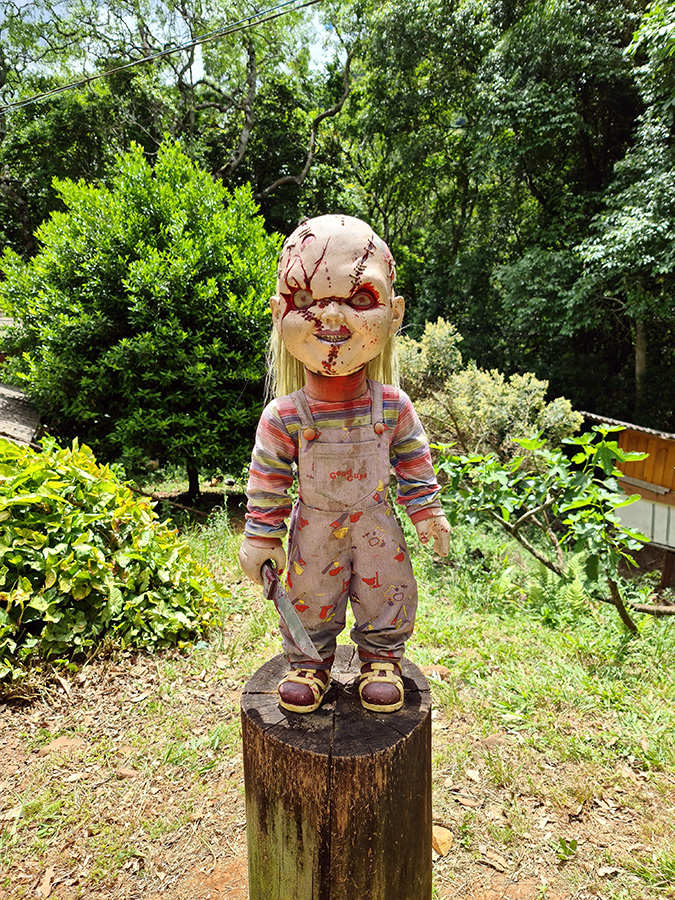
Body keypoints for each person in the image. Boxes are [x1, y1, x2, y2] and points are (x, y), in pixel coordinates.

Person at [239, 214, 450, 714]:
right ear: (279, 313)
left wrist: (427, 512)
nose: (331, 317)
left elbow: (414, 463)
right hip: (312, 528)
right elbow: (268, 484)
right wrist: (262, 536)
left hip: (377, 522)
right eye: (305, 299)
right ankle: (308, 662)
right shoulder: (284, 416)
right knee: (310, 593)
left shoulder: (393, 406)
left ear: (394, 314)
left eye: (360, 298)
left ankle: (382, 658)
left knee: (388, 590)